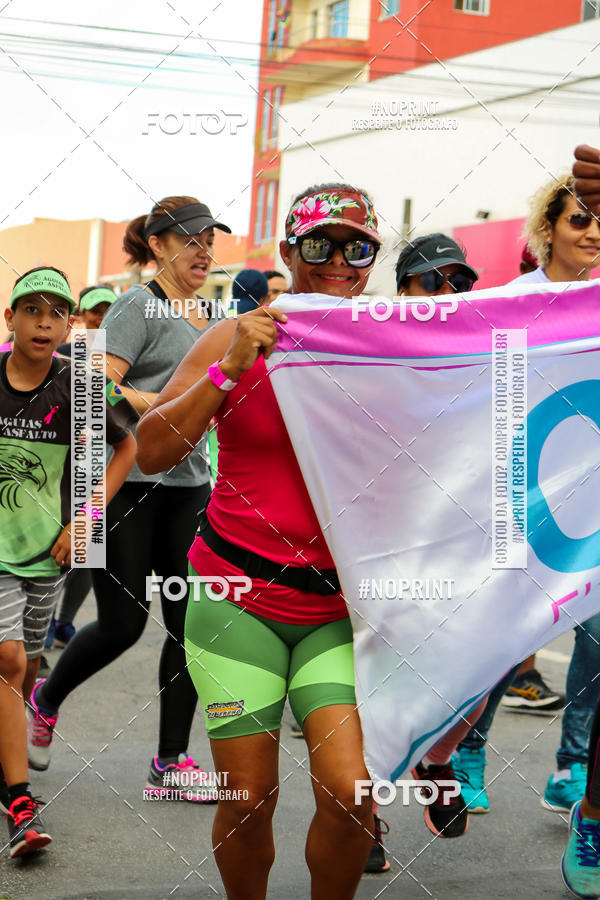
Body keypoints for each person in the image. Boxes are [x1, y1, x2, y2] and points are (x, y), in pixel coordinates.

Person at [136, 184, 390, 896]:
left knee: (351, 794)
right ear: (288, 251)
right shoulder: (235, 335)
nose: (337, 260)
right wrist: (229, 370)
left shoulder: (389, 344)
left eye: (357, 247)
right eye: (319, 244)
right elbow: (152, 450)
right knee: (247, 798)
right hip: (235, 599)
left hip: (339, 611)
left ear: (372, 259)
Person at [27, 197, 229, 801]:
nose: (203, 251)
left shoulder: (213, 315)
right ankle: (45, 699)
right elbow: (95, 389)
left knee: (190, 626)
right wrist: (169, 404)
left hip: (190, 489)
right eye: (189, 240)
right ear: (158, 246)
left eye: (209, 241)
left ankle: (170, 762)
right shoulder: (135, 307)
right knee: (122, 624)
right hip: (126, 488)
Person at [455, 173, 600, 819]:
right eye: (579, 219)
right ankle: (466, 754)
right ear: (548, 228)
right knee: (509, 637)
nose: (592, 232)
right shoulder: (513, 301)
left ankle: (573, 768)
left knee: (596, 640)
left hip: (593, 502)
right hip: (520, 494)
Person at [0, 266, 136, 857]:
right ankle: (19, 802)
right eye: (31, 310)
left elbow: (126, 446)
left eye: (56, 313)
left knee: (26, 667)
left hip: (46, 556)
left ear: (69, 325)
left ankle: (7, 755)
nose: (43, 322)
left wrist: (85, 520)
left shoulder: (80, 383)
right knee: (8, 660)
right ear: (11, 318)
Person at [557, 143, 600, 899]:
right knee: (496, 650)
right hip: (544, 507)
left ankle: (592, 808)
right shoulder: (523, 298)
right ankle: (448, 753)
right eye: (581, 219)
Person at [47, 285, 119, 649]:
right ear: (81, 316)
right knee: (57, 548)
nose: (102, 317)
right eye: (96, 310)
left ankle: (64, 621)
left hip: (102, 466)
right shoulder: (62, 352)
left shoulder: (123, 356)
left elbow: (122, 409)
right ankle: (43, 621)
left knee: (90, 553)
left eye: (109, 310)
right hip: (61, 468)